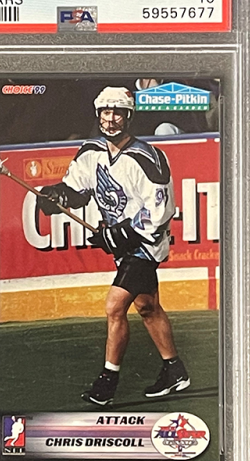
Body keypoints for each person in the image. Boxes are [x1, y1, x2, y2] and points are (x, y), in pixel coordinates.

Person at [36, 86, 189, 406]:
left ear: (129, 116)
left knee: (114, 307)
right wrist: (57, 195)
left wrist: (122, 233)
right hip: (122, 244)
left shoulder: (148, 158)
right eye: (106, 112)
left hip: (146, 244)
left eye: (118, 112)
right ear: (98, 115)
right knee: (147, 307)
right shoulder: (90, 152)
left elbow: (160, 211)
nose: (111, 118)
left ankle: (107, 383)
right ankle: (175, 370)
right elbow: (76, 190)